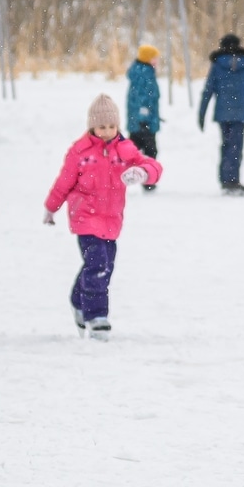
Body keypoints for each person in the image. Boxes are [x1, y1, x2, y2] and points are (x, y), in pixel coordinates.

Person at [44, 93, 161, 337]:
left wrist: (142, 173)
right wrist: (51, 207)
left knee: (103, 266)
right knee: (97, 264)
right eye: (101, 127)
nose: (107, 131)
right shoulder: (80, 151)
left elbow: (153, 166)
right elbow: (64, 182)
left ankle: (77, 300)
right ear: (92, 126)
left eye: (111, 126)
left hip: (111, 219)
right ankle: (97, 316)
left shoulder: (124, 149)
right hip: (85, 216)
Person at [197, 33, 244, 195]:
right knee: (235, 146)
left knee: (226, 145)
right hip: (240, 113)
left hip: (222, 113)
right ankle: (231, 180)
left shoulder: (217, 65)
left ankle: (226, 179)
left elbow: (207, 91)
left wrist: (201, 114)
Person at [126, 44, 161, 190]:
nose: (157, 61)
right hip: (144, 120)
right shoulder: (144, 73)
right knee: (149, 150)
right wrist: (144, 115)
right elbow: (141, 97)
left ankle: (118, 174)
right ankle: (148, 180)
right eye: (154, 58)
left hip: (141, 119)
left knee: (132, 150)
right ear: (147, 58)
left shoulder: (143, 71)